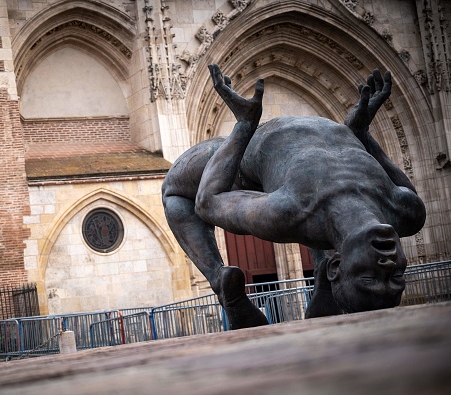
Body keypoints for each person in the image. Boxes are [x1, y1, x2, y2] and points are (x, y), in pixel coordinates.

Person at [161, 64, 426, 329]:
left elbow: (207, 202)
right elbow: (403, 187)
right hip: (329, 143)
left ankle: (219, 281)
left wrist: (243, 126)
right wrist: (362, 134)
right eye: (396, 276)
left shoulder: (286, 213)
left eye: (369, 277)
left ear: (338, 266)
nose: (386, 263)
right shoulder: (408, 212)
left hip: (249, 156)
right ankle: (322, 284)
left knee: (173, 190)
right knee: (327, 221)